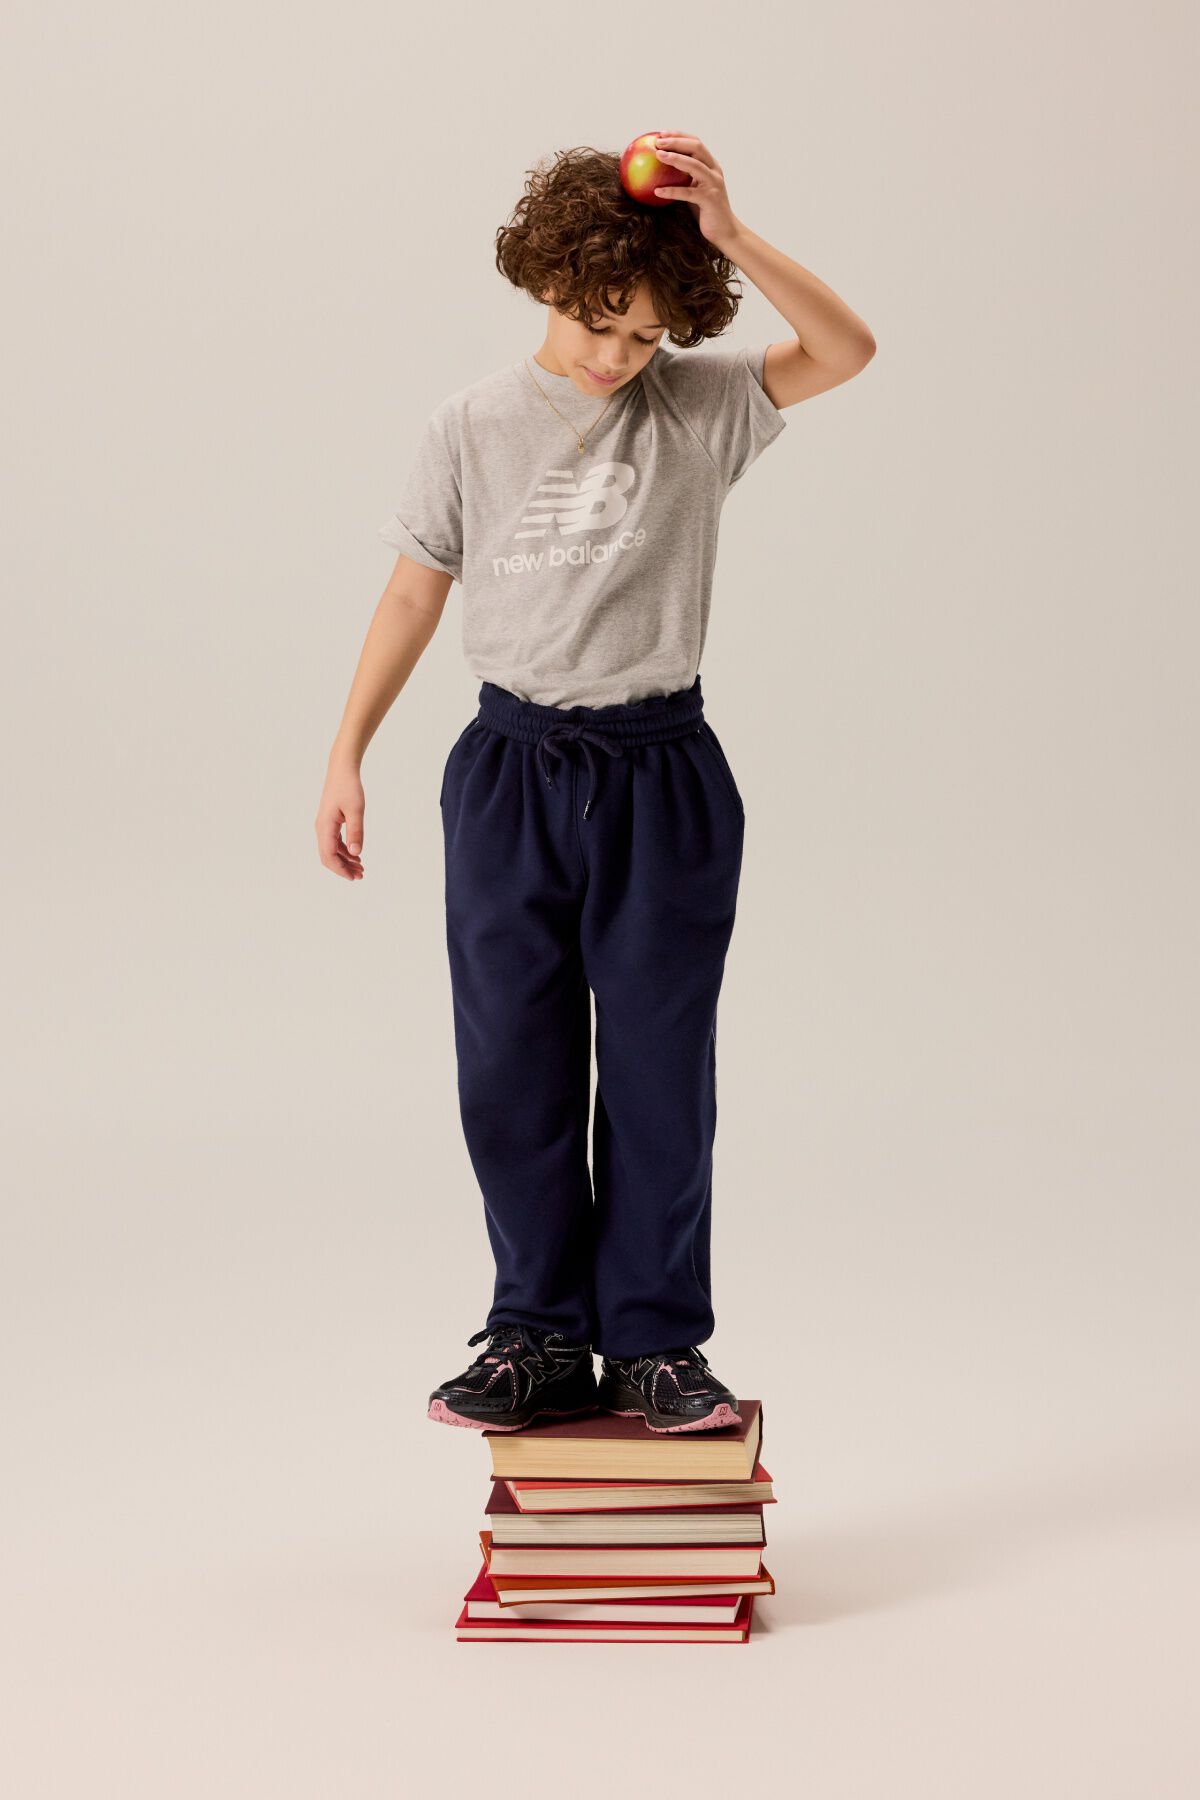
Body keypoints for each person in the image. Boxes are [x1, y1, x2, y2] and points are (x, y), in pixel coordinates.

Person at [316, 134, 875, 1433]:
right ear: (545, 280)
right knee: (512, 1064)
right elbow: (413, 590)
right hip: (510, 770)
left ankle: (656, 1344)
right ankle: (536, 1332)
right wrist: (347, 750)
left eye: (642, 332)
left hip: (661, 774)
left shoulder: (703, 407)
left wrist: (730, 234)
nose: (614, 356)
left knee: (660, 1068)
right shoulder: (469, 426)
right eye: (591, 321)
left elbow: (844, 350)